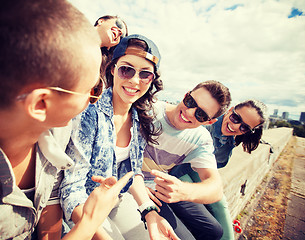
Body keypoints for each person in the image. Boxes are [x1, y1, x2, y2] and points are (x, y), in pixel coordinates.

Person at [0, 0, 133, 239]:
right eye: (92, 91)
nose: (96, 98)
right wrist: (90, 221)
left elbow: (49, 202)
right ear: (41, 104)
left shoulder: (58, 131)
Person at [60, 34, 179, 240]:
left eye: (145, 74)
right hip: (85, 206)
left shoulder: (140, 119)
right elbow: (71, 189)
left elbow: (132, 173)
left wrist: (149, 212)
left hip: (119, 200)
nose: (134, 80)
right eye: (127, 69)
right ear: (113, 69)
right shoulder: (90, 113)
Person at [142, 81, 232, 240]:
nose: (189, 112)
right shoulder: (148, 110)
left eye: (201, 115)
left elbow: (216, 188)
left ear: (209, 122)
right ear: (186, 95)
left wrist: (183, 191)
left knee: (214, 231)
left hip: (161, 187)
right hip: (137, 186)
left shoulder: (200, 139)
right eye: (190, 102)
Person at [170, 99, 268, 240]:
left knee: (219, 207)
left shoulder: (229, 141)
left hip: (194, 171)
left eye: (244, 127)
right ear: (230, 110)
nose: (235, 126)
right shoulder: (206, 124)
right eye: (236, 118)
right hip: (177, 170)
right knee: (216, 214)